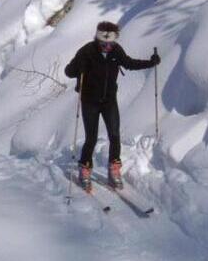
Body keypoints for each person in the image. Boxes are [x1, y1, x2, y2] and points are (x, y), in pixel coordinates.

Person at [65, 21, 160, 191]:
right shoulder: (87, 51)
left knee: (114, 135)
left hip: (109, 100)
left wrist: (150, 63)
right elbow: (69, 72)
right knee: (91, 137)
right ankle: (85, 169)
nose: (107, 47)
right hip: (89, 101)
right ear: (98, 39)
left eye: (110, 43)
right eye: (104, 44)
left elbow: (129, 64)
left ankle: (114, 169)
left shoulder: (116, 51)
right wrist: (78, 66)